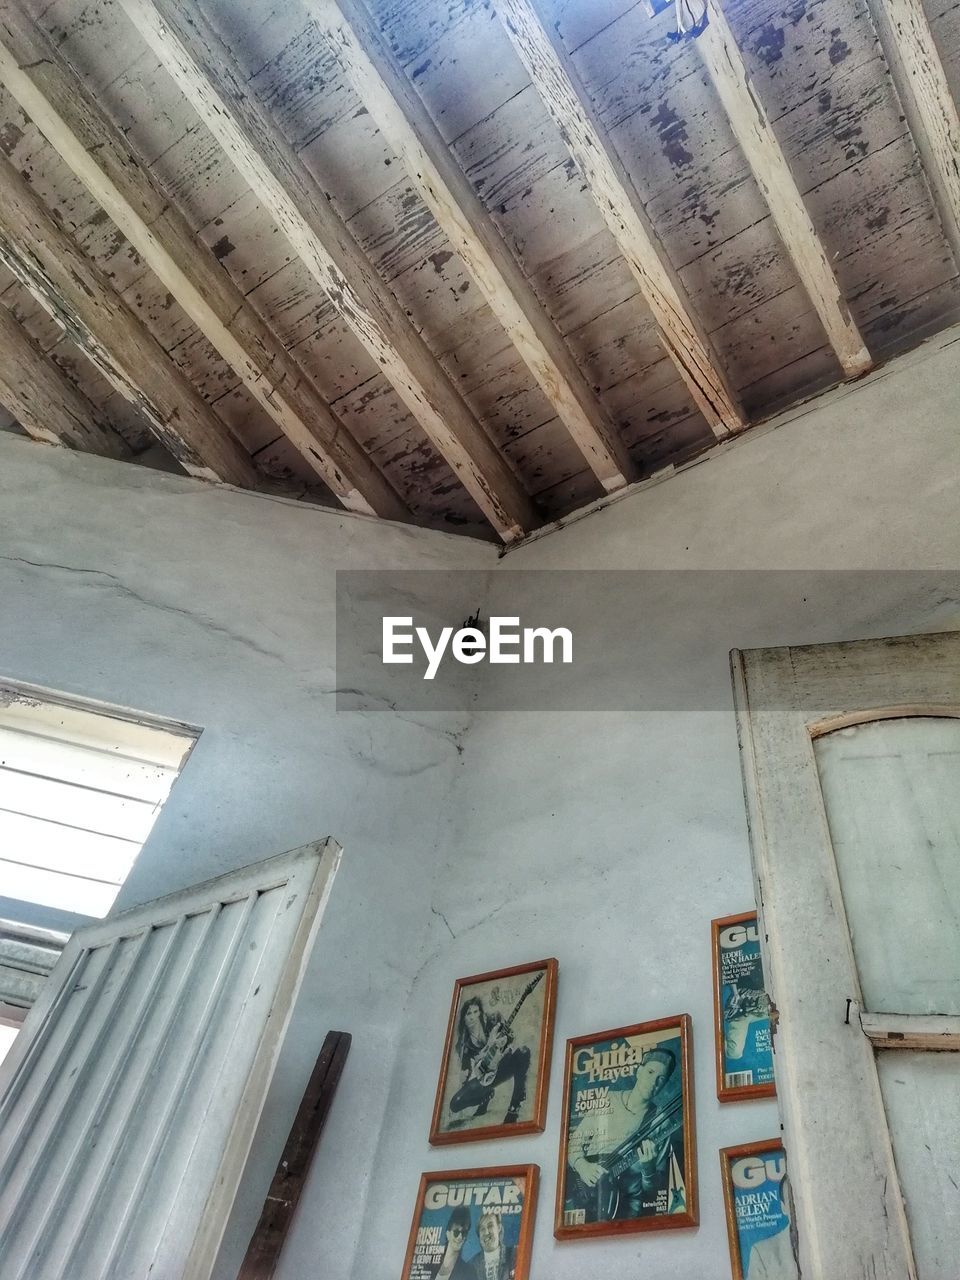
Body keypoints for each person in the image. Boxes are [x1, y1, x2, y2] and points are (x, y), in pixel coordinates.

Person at [565, 1047, 682, 1222]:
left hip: (625, 1207)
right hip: (586, 1195)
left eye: (661, 1079)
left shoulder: (661, 1122)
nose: (653, 1082)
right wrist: (582, 1166)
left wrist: (648, 1168)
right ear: (639, 1071)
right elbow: (574, 1142)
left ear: (664, 1084)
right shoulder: (607, 1099)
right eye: (650, 1072)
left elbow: (655, 1192)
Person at [448, 996, 530, 1126]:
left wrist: (507, 1040)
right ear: (463, 1017)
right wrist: (488, 1046)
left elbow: (512, 1041)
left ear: (480, 1012)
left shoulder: (493, 1021)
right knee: (455, 1103)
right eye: (468, 1013)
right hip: (484, 1076)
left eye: (475, 1012)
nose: (472, 1017)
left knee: (523, 1052)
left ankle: (515, 1105)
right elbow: (468, 1072)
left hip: (502, 1065)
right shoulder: (463, 1044)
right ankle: (485, 1096)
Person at [465, 1211, 516, 1280]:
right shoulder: (470, 1266)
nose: (486, 1232)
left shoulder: (514, 1254)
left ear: (499, 1227)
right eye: (482, 1229)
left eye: (490, 1226)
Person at [431, 1206, 474, 1280]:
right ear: (448, 1234)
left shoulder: (469, 1271)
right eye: (456, 1232)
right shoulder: (430, 1262)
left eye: (464, 1233)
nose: (460, 1237)